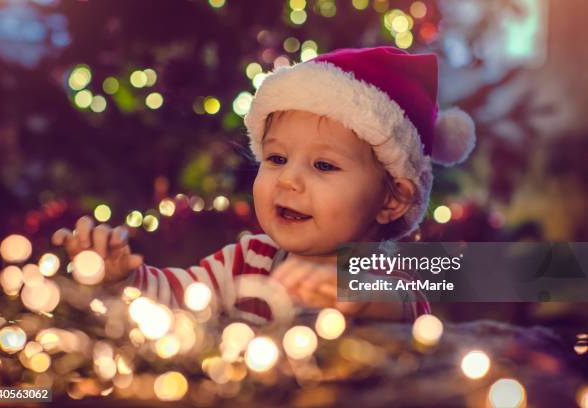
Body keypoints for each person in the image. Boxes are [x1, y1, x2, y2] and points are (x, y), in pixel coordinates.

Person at [52, 46, 476, 324]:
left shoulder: (392, 274)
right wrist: (121, 279)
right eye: (275, 158)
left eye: (324, 165)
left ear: (392, 199)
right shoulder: (247, 259)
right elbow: (177, 299)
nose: (288, 179)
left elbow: (396, 305)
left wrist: (354, 292)